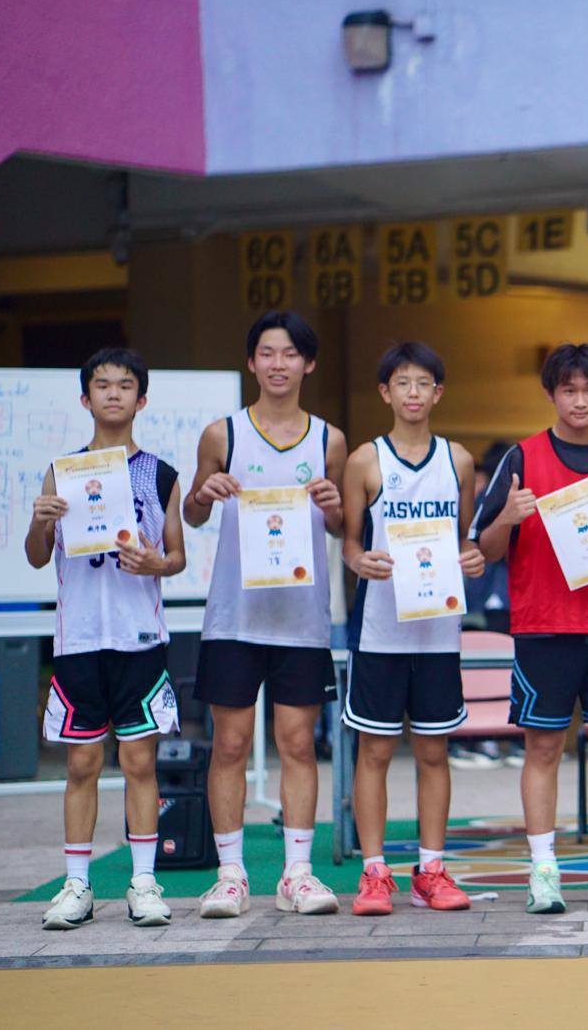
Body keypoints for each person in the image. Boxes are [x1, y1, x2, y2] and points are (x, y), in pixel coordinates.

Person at [472, 344, 588, 914]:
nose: (580, 401)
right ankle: (543, 871)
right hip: (543, 627)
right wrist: (508, 516)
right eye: (569, 390)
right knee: (543, 747)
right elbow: (484, 549)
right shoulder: (522, 458)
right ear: (550, 394)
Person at [187, 311, 347, 917]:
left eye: (290, 354)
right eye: (267, 353)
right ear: (251, 362)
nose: (279, 364)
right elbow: (194, 514)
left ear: (309, 363)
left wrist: (334, 507)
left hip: (301, 619)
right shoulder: (221, 434)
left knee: (298, 743)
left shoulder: (329, 440)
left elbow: (343, 525)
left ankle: (297, 874)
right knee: (229, 744)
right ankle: (230, 875)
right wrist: (203, 494)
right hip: (234, 617)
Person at [30, 349, 186, 929]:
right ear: (85, 398)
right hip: (79, 639)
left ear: (141, 399)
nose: (114, 393)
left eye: (125, 385)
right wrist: (40, 520)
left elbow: (176, 556)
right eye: (102, 385)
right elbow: (36, 556)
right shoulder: (62, 471)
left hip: (139, 637)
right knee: (81, 763)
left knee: (140, 760)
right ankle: (77, 885)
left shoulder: (161, 474)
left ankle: (143, 882)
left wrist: (155, 563)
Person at [342, 342, 485, 915]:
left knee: (433, 751)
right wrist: (360, 561)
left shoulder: (459, 461)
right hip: (380, 629)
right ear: (385, 392)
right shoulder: (364, 460)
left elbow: (464, 540)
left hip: (437, 631)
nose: (413, 393)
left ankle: (431, 869)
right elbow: (349, 543)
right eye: (402, 382)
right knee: (374, 751)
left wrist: (472, 557)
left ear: (438, 392)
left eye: (423, 383)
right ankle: (374, 872)